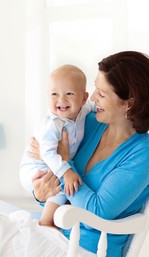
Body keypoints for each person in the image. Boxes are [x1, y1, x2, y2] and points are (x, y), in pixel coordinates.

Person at [0, 51, 149, 257]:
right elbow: (47, 161)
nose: (92, 98)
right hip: (53, 232)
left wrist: (65, 163)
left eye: (101, 94)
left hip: (84, 252)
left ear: (129, 104)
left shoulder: (144, 155)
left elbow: (99, 209)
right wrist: (41, 190)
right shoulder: (90, 124)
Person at [20, 64, 91, 230]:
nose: (61, 99)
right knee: (60, 185)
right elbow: (47, 152)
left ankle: (48, 220)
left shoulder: (85, 111)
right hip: (35, 168)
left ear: (83, 98)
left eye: (69, 94)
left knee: (62, 184)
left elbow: (96, 107)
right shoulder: (53, 124)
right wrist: (66, 172)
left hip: (53, 162)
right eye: (54, 94)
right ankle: (46, 222)